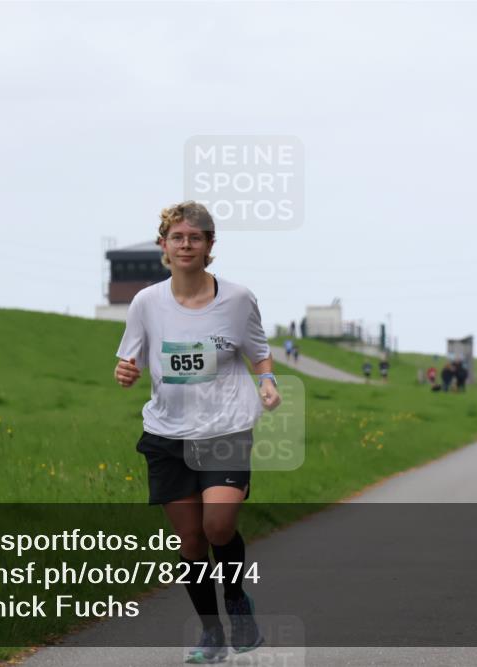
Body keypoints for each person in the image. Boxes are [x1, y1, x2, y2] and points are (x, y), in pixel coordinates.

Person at [114, 201, 278, 663]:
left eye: (196, 237)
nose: (186, 245)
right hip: (168, 433)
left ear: (209, 247)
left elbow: (259, 352)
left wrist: (266, 381)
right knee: (190, 540)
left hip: (225, 427)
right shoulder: (147, 302)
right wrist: (125, 373)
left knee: (218, 525)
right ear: (164, 245)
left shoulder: (238, 299)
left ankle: (238, 602)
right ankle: (212, 634)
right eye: (177, 237)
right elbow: (130, 359)